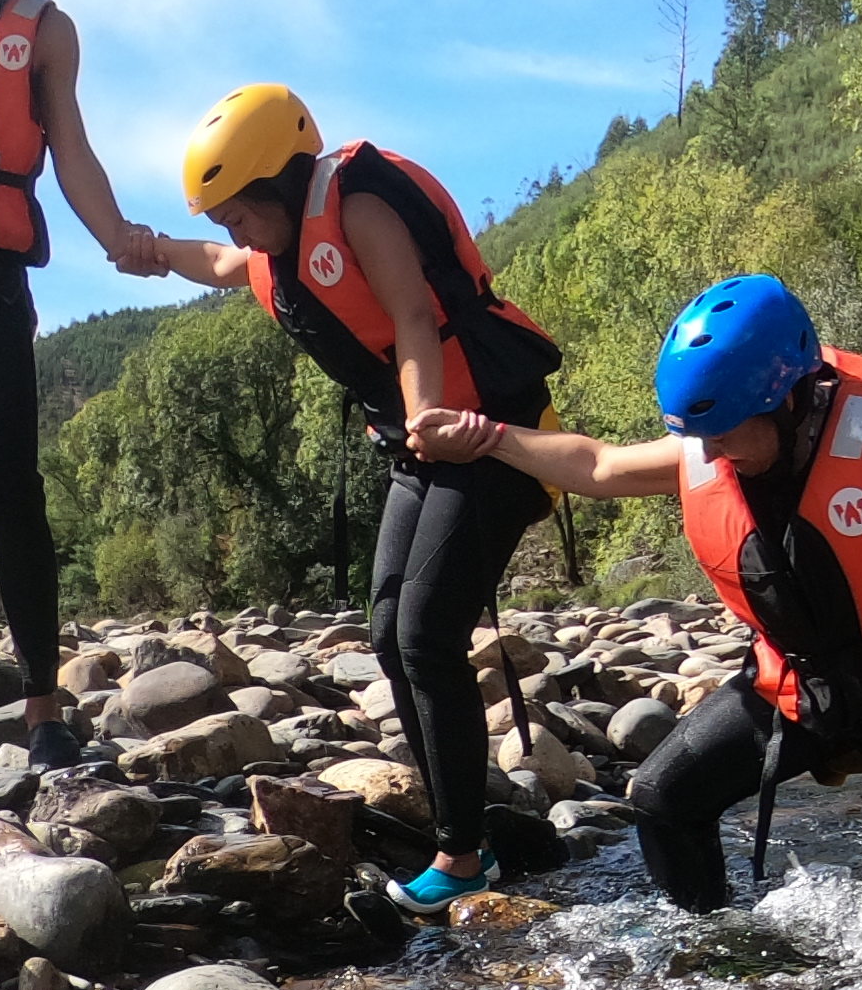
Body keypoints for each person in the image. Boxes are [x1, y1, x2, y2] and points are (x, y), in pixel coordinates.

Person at [409, 275, 862, 934]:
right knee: (662, 799)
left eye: (729, 435)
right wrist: (489, 437)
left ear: (787, 397)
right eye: (704, 437)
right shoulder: (709, 440)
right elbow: (595, 465)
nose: (714, 453)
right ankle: (725, 964)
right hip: (803, 687)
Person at [126, 84, 566, 903]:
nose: (236, 234)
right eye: (223, 219)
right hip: (421, 445)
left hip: (489, 432)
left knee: (429, 635)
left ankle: (463, 859)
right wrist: (152, 247)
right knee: (389, 632)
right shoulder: (270, 247)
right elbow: (222, 265)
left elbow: (410, 316)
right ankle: (463, 825)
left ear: (285, 182)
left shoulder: (356, 208)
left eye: (242, 214)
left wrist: (427, 411)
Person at [0, 0, 185, 764]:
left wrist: (122, 237)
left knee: (16, 491)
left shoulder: (47, 28)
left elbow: (72, 153)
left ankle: (43, 707)